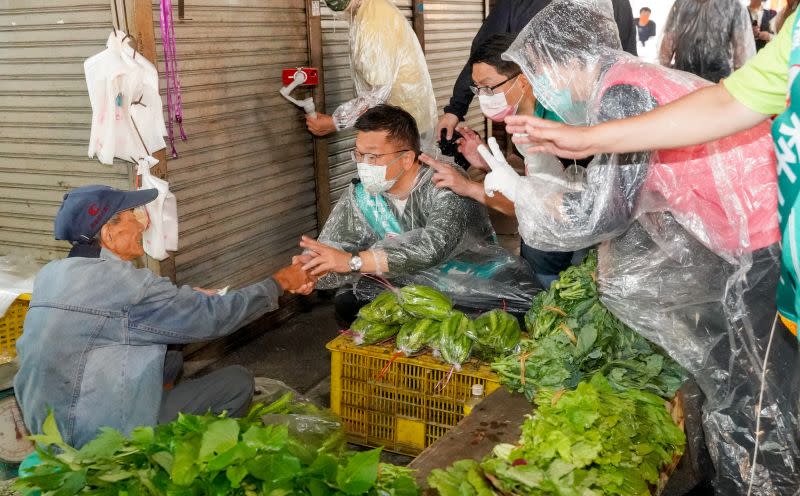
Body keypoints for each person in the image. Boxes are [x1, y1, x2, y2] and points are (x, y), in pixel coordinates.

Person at [476, 0, 799, 492]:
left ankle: (760, 484)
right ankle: (731, 477)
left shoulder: (621, 94)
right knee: (737, 376)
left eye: (536, 73)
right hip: (752, 229)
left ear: (561, 59)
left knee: (758, 392)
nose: (539, 88)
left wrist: (519, 191)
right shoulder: (624, 82)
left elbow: (598, 215)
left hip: (769, 233)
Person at [14, 185, 315, 448]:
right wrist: (280, 283)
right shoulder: (123, 285)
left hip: (48, 429)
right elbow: (212, 318)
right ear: (108, 233)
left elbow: (123, 316)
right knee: (237, 382)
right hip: (95, 440)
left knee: (171, 354)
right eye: (133, 215)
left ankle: (161, 416)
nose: (143, 226)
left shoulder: (52, 275)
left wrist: (185, 299)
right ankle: (176, 465)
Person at [297, 104, 538, 324]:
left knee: (510, 313)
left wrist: (352, 261)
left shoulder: (444, 181)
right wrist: (312, 270)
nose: (363, 165)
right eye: (359, 155)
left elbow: (433, 246)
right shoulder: (362, 194)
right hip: (408, 280)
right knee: (348, 302)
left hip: (471, 281)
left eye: (373, 157)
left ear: (406, 159)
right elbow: (336, 245)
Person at [419, 33, 573, 289]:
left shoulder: (553, 125)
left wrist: (468, 187)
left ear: (522, 81)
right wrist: (489, 164)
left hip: (562, 240)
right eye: (477, 88)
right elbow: (537, 179)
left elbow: (543, 204)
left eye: (490, 87)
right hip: (540, 236)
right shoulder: (520, 118)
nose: (483, 96)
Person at [435, 0, 638, 141]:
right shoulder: (518, 3)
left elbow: (625, 60)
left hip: (598, 117)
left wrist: (621, 117)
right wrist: (456, 108)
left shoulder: (615, 3)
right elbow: (482, 53)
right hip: (537, 115)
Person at [305, 0, 437, 147]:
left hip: (402, 126)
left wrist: (335, 122)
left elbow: (379, 92)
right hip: (399, 122)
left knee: (403, 168)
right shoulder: (367, 11)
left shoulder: (374, 16)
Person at [658, 0, 755, 83]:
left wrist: (738, 83)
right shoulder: (680, 4)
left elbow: (742, 50)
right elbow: (668, 40)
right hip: (683, 76)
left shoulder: (734, 5)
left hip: (718, 79)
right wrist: (664, 72)